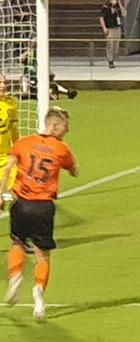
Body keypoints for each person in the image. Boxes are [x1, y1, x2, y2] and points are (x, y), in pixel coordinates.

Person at [2, 107, 79, 321]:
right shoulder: (62, 148)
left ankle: (16, 276)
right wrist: (72, 169)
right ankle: (38, 295)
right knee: (42, 255)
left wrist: (2, 194)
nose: (67, 131)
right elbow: (74, 169)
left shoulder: (23, 143)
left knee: (16, 242)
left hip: (21, 204)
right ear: (54, 126)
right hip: (44, 207)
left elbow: (8, 169)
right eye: (65, 127)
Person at [0, 73, 20, 191]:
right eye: (0, 83)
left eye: (5, 83)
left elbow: (14, 128)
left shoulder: (11, 103)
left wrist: (19, 147)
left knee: (11, 186)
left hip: (4, 156)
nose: (3, 86)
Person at [99, 0, 127, 69]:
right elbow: (101, 18)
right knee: (110, 45)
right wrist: (104, 28)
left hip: (117, 28)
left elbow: (124, 14)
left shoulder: (118, 8)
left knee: (116, 47)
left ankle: (113, 59)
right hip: (109, 28)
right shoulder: (105, 7)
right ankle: (110, 61)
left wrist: (120, 5)